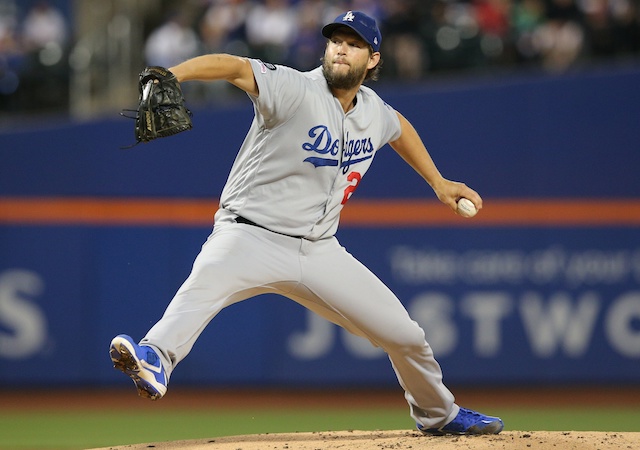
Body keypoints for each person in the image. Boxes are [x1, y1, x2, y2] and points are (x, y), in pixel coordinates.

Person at [109, 10, 504, 436]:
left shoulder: (373, 110)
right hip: (248, 235)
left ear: (372, 59)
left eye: (353, 44)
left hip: (319, 250)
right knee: (201, 288)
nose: (340, 48)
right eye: (336, 40)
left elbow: (399, 128)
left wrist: (438, 182)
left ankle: (439, 415)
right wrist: (174, 74)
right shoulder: (294, 86)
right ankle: (154, 357)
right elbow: (233, 66)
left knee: (406, 335)